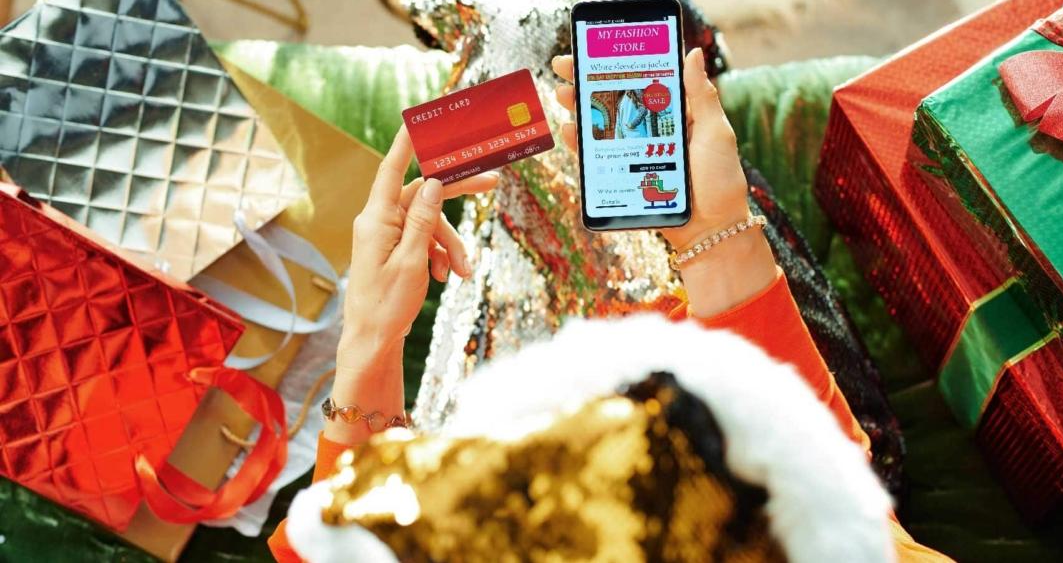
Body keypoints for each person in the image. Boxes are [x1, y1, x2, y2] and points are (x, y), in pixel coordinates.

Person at [268, 49, 947, 562]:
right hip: (769, 430)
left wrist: (368, 347)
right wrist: (719, 238)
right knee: (616, 63)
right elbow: (846, 503)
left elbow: (341, 542)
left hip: (661, 398)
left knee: (569, 70)